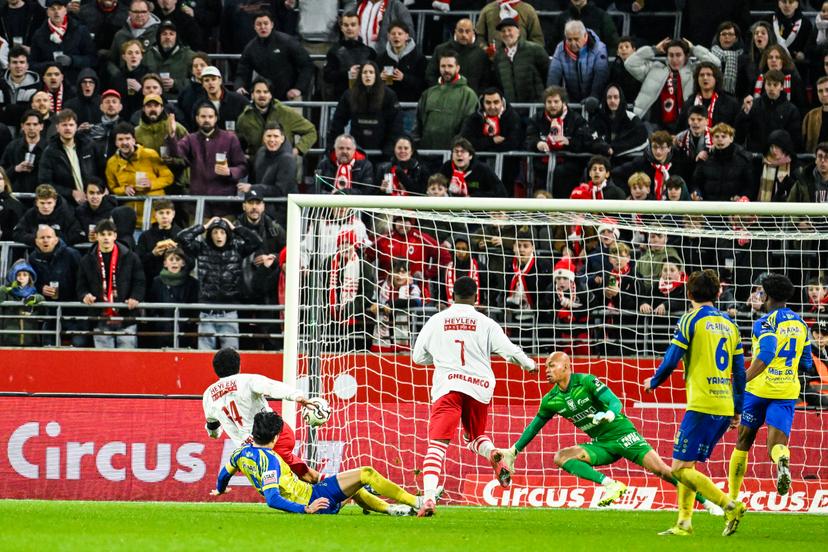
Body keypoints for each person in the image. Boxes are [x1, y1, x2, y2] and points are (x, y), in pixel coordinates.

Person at [496, 351, 724, 514]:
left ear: (566, 367)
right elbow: (535, 426)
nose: (546, 370)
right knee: (561, 457)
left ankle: (708, 502)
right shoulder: (551, 400)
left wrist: (611, 414)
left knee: (664, 471)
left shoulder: (586, 382)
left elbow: (614, 401)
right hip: (602, 444)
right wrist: (515, 450)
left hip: (625, 435)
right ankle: (610, 485)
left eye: (551, 365)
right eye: (545, 366)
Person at [412, 276, 537, 516]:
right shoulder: (486, 322)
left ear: (452, 295)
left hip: (449, 386)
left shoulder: (436, 320)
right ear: (476, 296)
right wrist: (529, 364)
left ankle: (428, 498)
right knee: (474, 437)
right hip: (479, 387)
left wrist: (439, 358)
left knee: (437, 446)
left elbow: (418, 357)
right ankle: (493, 453)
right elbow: (509, 351)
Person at [644, 269, 747, 537]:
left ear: (688, 293)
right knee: (688, 466)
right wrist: (738, 409)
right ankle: (684, 523)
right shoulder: (731, 325)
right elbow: (740, 372)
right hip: (724, 406)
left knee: (678, 469)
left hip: (702, 404)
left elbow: (672, 358)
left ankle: (729, 505)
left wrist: (654, 382)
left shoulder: (691, 320)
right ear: (718, 293)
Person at [211, 411, 420, 516]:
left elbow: (224, 474)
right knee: (366, 473)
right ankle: (415, 502)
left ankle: (394, 510)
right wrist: (306, 509)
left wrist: (221, 490)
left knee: (353, 486)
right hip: (316, 499)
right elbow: (272, 499)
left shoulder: (239, 453)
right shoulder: (272, 460)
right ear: (275, 437)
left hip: (313, 494)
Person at [727, 274, 812, 507]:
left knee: (743, 441)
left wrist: (741, 379)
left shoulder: (764, 322)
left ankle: (733, 498)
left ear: (767, 296)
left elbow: (765, 354)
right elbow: (806, 364)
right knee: (776, 446)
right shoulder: (801, 324)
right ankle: (783, 460)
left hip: (757, 390)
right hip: (785, 391)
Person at [201, 347, 319, 480]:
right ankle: (332, 488)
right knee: (301, 479)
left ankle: (332, 490)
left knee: (291, 483)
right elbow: (271, 387)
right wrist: (297, 396)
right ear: (239, 365)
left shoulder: (208, 396)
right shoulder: (247, 380)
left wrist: (217, 430)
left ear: (215, 369)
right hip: (277, 434)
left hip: (252, 450)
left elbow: (214, 431)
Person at [177, 216, 262, 350]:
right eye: (215, 232)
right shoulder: (201, 248)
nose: (218, 236)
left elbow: (256, 242)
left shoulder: (237, 248)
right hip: (206, 312)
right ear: (210, 234)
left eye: (222, 232)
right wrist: (204, 226)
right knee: (204, 357)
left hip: (229, 312)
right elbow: (182, 238)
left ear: (227, 234)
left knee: (231, 354)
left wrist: (235, 228)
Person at [164, 104, 246, 216]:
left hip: (225, 206)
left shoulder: (230, 138)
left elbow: (243, 167)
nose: (207, 120)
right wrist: (172, 135)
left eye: (210, 117)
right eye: (203, 116)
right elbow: (176, 153)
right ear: (197, 118)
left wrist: (230, 171)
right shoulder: (190, 139)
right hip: (199, 206)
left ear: (216, 118)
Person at [624, 37, 720, 132]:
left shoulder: (694, 71)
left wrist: (694, 49)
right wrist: (654, 50)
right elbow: (629, 63)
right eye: (671, 55)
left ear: (686, 56)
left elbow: (715, 64)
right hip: (653, 124)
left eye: (678, 55)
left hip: (685, 124)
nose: (674, 59)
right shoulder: (655, 68)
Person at [77, 218, 145, 349]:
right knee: (103, 362)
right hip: (100, 317)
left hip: (126, 316)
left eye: (109, 234)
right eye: (102, 234)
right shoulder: (86, 260)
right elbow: (81, 285)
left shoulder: (130, 257)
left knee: (127, 360)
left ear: (115, 235)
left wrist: (135, 297)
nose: (106, 238)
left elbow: (139, 281)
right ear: (96, 236)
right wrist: (85, 295)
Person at [233, 11, 314, 102]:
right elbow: (242, 72)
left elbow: (306, 65)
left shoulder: (287, 41)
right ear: (254, 27)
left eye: (266, 23)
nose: (263, 27)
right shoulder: (251, 48)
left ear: (272, 25)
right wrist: (239, 87)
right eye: (259, 24)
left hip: (291, 96)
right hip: (265, 98)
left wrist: (298, 88)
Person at [105, 121, 174, 227]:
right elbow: (112, 187)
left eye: (128, 138)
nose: (125, 142)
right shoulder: (112, 162)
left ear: (134, 140)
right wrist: (124, 189)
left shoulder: (149, 154)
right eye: (120, 139)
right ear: (115, 143)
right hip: (131, 219)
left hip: (156, 216)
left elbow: (168, 177)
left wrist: (151, 184)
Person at [328, 61, 402, 154]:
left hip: (382, 148)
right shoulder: (349, 94)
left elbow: (395, 124)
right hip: (356, 148)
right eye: (364, 72)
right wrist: (339, 145)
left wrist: (390, 146)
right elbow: (338, 122)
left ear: (376, 75)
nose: (368, 75)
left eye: (371, 72)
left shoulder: (388, 95)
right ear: (360, 75)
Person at [235, 77, 318, 158]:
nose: (262, 95)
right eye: (258, 92)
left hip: (284, 165)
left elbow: (311, 131)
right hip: (257, 167)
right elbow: (238, 144)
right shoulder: (244, 118)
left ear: (271, 95)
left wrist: (297, 150)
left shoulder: (286, 113)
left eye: (266, 92)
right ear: (252, 95)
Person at [415, 50, 478, 151]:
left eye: (450, 66)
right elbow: (418, 124)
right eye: (443, 66)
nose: (446, 70)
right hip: (426, 152)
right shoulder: (428, 93)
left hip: (454, 154)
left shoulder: (469, 95)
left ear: (457, 68)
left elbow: (469, 127)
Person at [38, 108, 102, 206]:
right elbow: (46, 183)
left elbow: (101, 170)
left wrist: (102, 188)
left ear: (76, 127)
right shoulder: (49, 152)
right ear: (57, 128)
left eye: (71, 125)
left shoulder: (89, 146)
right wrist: (71, 193)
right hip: (65, 205)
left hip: (92, 203)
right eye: (64, 125)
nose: (68, 128)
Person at [735, 69, 801, 154]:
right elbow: (739, 135)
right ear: (764, 85)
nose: (771, 88)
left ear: (781, 87)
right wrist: (745, 113)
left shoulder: (791, 109)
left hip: (779, 156)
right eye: (768, 84)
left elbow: (795, 139)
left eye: (775, 85)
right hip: (756, 156)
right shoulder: (753, 105)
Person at [30, 0, 96, 84]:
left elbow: (92, 59)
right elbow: (32, 64)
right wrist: (49, 65)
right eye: (53, 9)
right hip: (49, 83)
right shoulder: (39, 35)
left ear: (65, 10)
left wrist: (72, 60)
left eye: (59, 8)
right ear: (47, 12)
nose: (56, 12)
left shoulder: (80, 30)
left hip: (75, 82)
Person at [546, 19, 608, 104]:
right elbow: (554, 74)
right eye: (569, 39)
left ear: (585, 36)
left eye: (576, 39)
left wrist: (594, 96)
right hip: (572, 98)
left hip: (597, 99)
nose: (573, 43)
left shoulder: (599, 48)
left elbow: (601, 74)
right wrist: (552, 96)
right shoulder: (560, 48)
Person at [425, 18, 491, 94]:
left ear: (473, 32)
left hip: (472, 100)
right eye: (460, 31)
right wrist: (440, 91)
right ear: (455, 31)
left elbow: (486, 81)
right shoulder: (440, 50)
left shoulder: (481, 54)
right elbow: (430, 75)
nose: (464, 35)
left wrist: (475, 97)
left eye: (467, 31)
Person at [492, 18, 549, 104]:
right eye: (503, 31)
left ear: (518, 32)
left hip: (535, 106)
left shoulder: (535, 50)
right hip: (512, 108)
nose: (506, 34)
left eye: (509, 30)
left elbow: (547, 75)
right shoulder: (498, 56)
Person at [323, 11, 376, 101]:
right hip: (341, 99)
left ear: (359, 27)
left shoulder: (370, 52)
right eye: (346, 25)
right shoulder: (334, 51)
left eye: (353, 24)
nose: (349, 28)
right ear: (342, 28)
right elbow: (327, 76)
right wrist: (347, 73)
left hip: (366, 99)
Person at [374, 20, 426, 104]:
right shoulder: (381, 58)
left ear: (407, 36)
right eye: (393, 34)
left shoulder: (418, 57)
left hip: (410, 104)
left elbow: (423, 84)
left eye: (400, 34)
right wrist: (379, 78)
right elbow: (373, 84)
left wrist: (404, 78)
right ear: (388, 36)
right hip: (387, 105)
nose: (396, 36)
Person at [437, 136, 507, 198]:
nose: (459, 154)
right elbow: (434, 186)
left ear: (470, 156)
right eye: (456, 151)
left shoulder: (483, 169)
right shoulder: (447, 167)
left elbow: (501, 193)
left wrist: (473, 197)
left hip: (477, 210)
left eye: (463, 152)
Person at [142, 19, 194, 101]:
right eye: (164, 34)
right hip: (151, 101)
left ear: (176, 37)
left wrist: (176, 84)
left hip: (180, 101)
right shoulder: (148, 55)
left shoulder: (188, 55)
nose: (168, 37)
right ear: (158, 37)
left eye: (171, 34)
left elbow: (195, 81)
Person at [1, 109, 45, 195]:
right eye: (28, 124)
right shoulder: (12, 146)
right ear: (22, 126)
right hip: (15, 195)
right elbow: (2, 172)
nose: (31, 128)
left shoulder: (49, 148)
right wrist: (15, 169)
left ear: (41, 126)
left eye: (35, 124)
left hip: (41, 197)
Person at [475, 0, 544, 51]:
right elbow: (479, 36)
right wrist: (486, 50)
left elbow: (537, 39)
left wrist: (528, 55)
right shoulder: (487, 10)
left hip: (522, 63)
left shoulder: (528, 10)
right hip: (493, 63)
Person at [803, 76, 828, 153]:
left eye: (827, 90)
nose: (824, 94)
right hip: (815, 159)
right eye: (820, 91)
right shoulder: (811, 115)